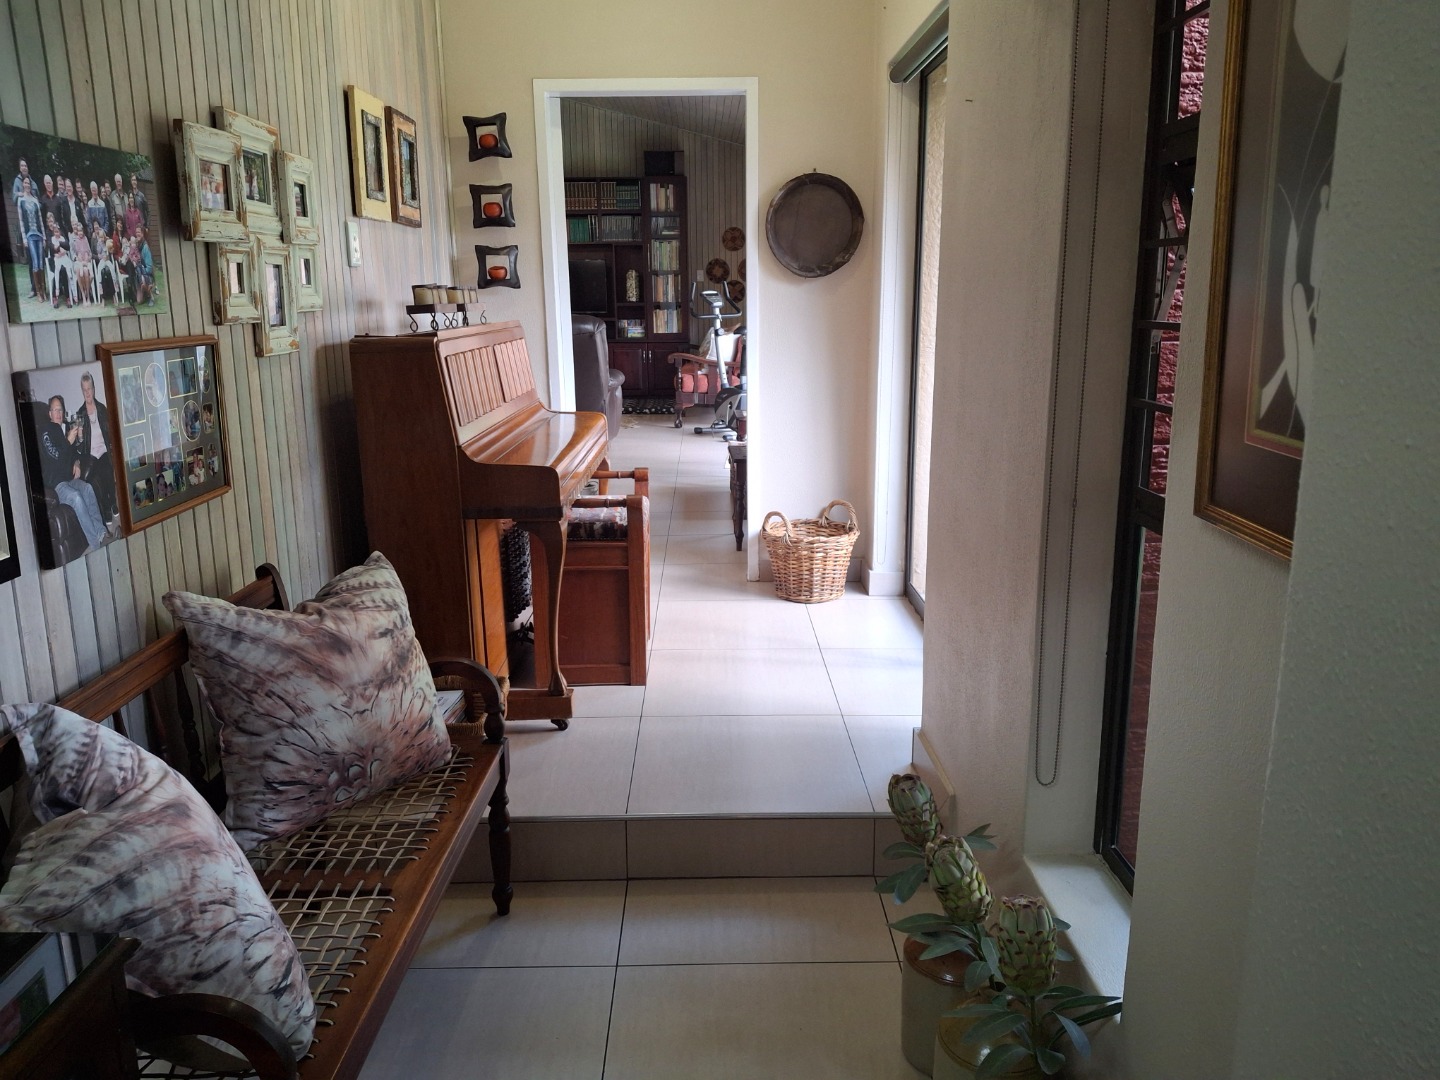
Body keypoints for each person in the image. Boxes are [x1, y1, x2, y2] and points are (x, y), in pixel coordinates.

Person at [38, 395, 107, 551]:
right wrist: (68, 441)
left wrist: (76, 462)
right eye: (55, 410)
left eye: (60, 409)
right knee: (76, 497)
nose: (58, 413)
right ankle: (96, 544)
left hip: (69, 478)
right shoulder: (46, 431)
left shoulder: (63, 429)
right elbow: (56, 457)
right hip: (56, 484)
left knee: (87, 488)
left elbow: (72, 454)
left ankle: (101, 533)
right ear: (49, 413)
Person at [75, 371, 116, 521]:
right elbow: (79, 447)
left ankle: (113, 502)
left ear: (93, 389)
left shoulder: (102, 409)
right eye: (84, 389)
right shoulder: (80, 413)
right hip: (91, 454)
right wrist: (79, 436)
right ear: (82, 391)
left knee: (108, 472)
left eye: (89, 388)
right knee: (98, 477)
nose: (87, 393)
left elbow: (110, 433)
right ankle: (106, 509)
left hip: (104, 450)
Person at [15, 176, 44, 300]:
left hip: (39, 235)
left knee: (41, 264)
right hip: (29, 236)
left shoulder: (35, 200)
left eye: (28, 183)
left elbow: (40, 219)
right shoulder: (20, 201)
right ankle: (38, 292)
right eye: (25, 183)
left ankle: (43, 290)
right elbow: (21, 221)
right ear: (23, 185)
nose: (27, 185)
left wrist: (44, 236)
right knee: (35, 263)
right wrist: (24, 238)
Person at [70, 220, 92, 305]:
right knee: (79, 270)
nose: (79, 232)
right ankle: (83, 295)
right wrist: (76, 258)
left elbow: (89, 252)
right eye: (78, 230)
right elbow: (72, 252)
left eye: (81, 230)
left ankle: (88, 295)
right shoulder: (72, 238)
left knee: (86, 271)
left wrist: (88, 258)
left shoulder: (85, 239)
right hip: (77, 261)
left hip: (85, 261)